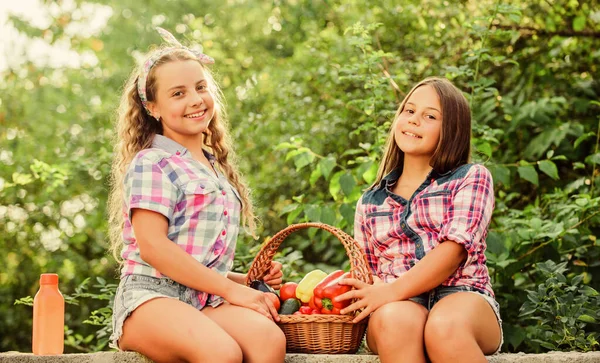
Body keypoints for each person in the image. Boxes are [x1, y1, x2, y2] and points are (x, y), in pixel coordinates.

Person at [106, 28, 286, 363]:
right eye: (178, 93)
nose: (195, 99)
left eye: (200, 87)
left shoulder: (213, 166)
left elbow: (196, 262)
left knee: (268, 339)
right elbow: (155, 248)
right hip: (150, 298)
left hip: (203, 298)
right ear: (153, 108)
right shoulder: (152, 162)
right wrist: (232, 290)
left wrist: (244, 279)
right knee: (222, 353)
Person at [335, 77, 503, 363]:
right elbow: (368, 271)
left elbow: (453, 252)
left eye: (430, 116)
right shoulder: (370, 201)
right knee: (396, 322)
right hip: (396, 305)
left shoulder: (471, 177)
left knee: (444, 328)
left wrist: (390, 290)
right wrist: (382, 292)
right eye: (409, 111)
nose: (414, 121)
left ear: (451, 130)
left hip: (463, 295)